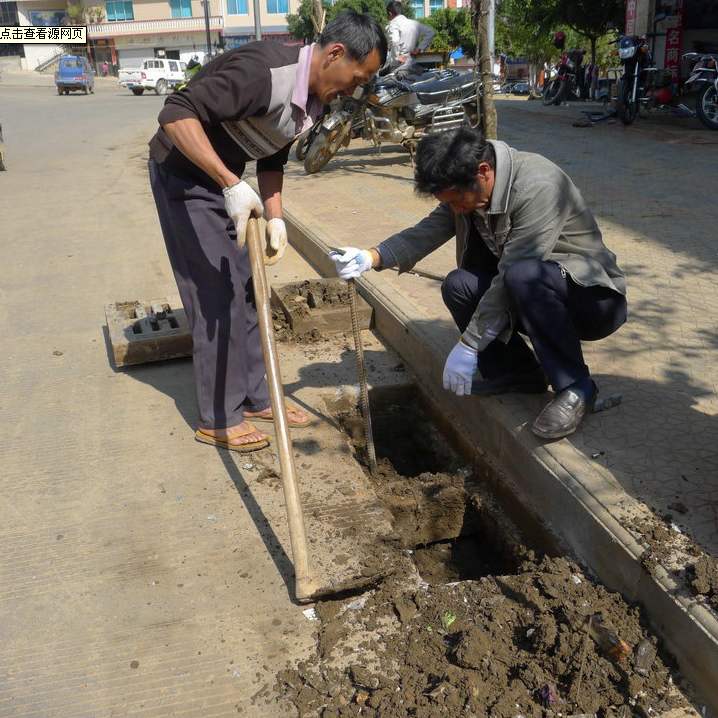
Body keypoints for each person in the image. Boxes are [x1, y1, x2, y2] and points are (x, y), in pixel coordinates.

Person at [148, 11, 387, 452]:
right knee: (215, 293)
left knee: (248, 290)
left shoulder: (316, 99)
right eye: (359, 75)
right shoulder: (263, 72)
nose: (356, 87)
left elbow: (273, 157)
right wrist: (230, 184)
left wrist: (276, 216)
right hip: (184, 174)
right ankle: (219, 416)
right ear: (335, 53)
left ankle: (259, 397)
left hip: (226, 179)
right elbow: (175, 112)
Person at [330, 128, 627, 440]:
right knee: (459, 285)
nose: (457, 209)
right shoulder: (466, 188)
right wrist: (372, 256)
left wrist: (470, 343)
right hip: (531, 293)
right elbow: (429, 229)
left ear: (483, 172)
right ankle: (519, 373)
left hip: (591, 300)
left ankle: (576, 388)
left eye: (458, 200)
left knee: (521, 275)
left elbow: (513, 270)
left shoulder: (538, 185)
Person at [383, 0, 435, 77]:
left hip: (397, 67)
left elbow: (394, 41)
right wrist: (419, 49)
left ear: (390, 13)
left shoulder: (393, 24)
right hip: (411, 63)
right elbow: (431, 32)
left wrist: (398, 56)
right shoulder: (414, 23)